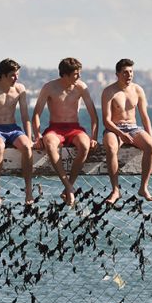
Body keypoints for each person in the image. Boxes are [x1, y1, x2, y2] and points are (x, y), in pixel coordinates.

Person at [32, 57, 98, 205]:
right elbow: (36, 113)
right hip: (55, 128)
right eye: (76, 74)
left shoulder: (81, 87)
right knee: (49, 143)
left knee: (85, 145)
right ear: (65, 75)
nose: (79, 76)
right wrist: (37, 136)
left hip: (74, 127)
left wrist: (93, 136)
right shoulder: (49, 87)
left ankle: (69, 186)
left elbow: (94, 115)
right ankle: (68, 186)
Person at [102, 58, 152, 204]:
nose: (128, 75)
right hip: (114, 129)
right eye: (125, 72)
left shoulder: (138, 90)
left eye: (131, 72)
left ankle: (143, 187)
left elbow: (144, 116)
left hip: (133, 128)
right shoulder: (109, 91)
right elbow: (106, 120)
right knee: (111, 147)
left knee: (149, 146)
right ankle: (115, 190)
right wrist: (121, 134)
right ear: (117, 74)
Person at [0, 58, 34, 205]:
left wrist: (29, 137)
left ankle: (28, 190)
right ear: (2, 75)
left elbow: (24, 115)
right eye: (12, 75)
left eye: (17, 75)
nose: (16, 78)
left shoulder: (20, 89)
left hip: (13, 128)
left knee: (27, 147)